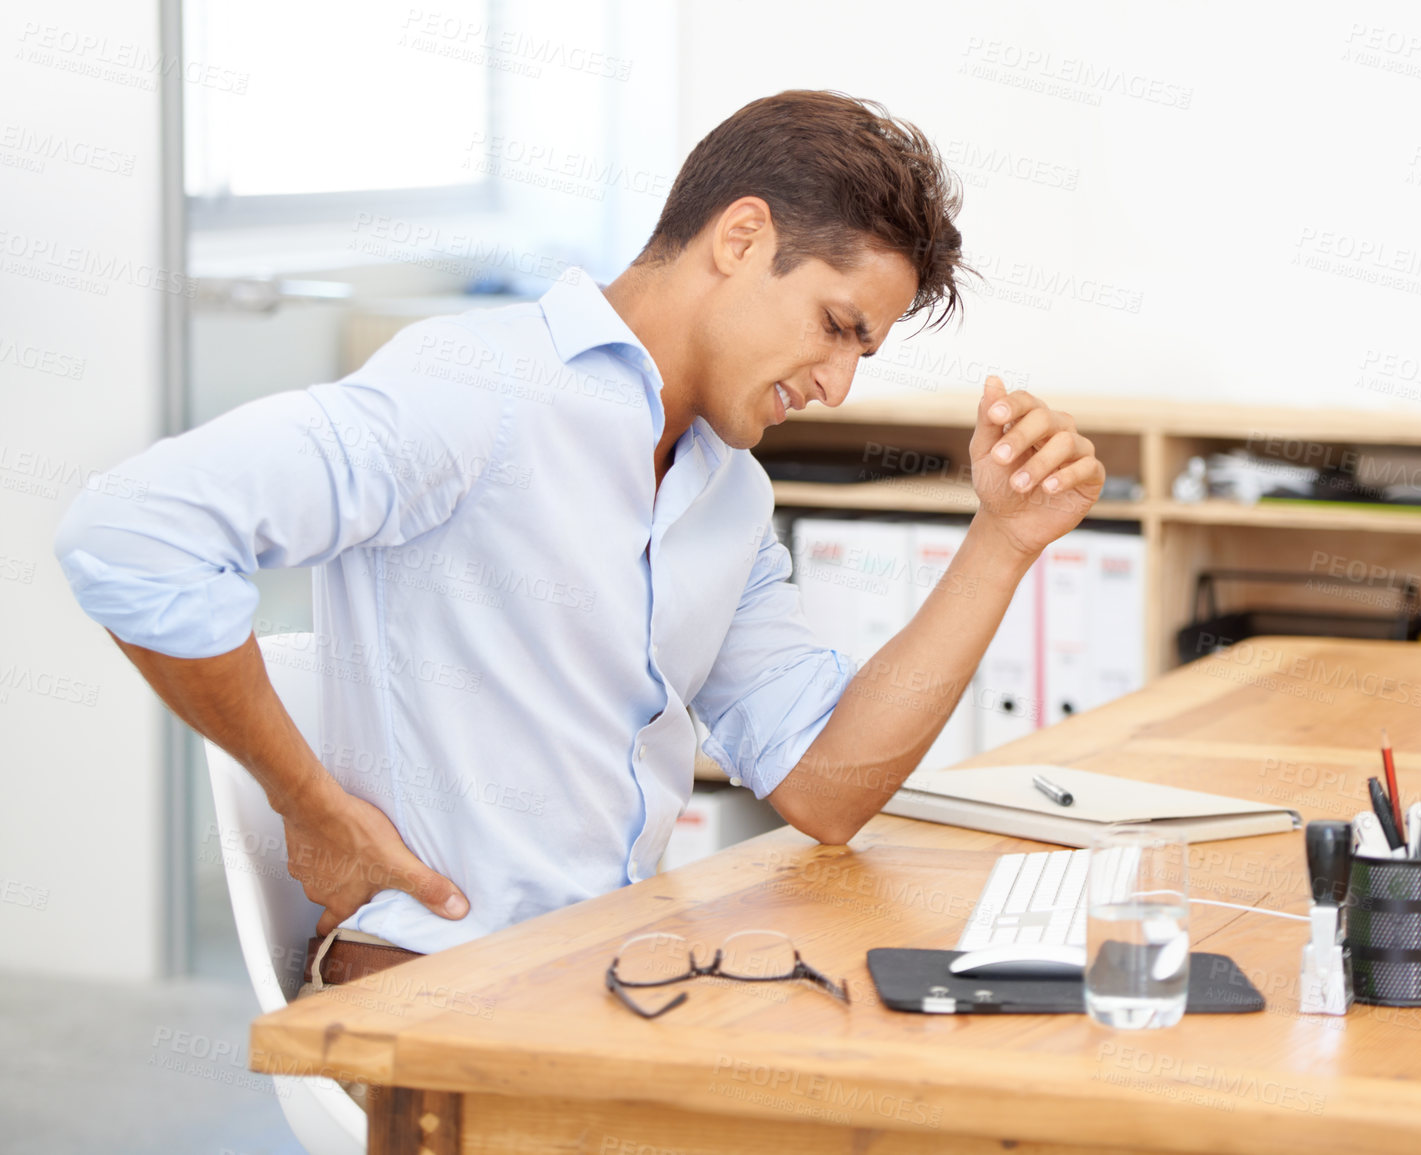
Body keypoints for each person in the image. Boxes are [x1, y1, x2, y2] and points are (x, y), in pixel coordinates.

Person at [54, 90, 1105, 984]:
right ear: (741, 238)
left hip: (606, 974)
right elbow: (132, 530)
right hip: (435, 981)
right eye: (837, 327)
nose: (836, 385)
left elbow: (825, 788)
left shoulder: (728, 496)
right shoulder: (477, 388)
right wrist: (310, 804)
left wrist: (1003, 541)